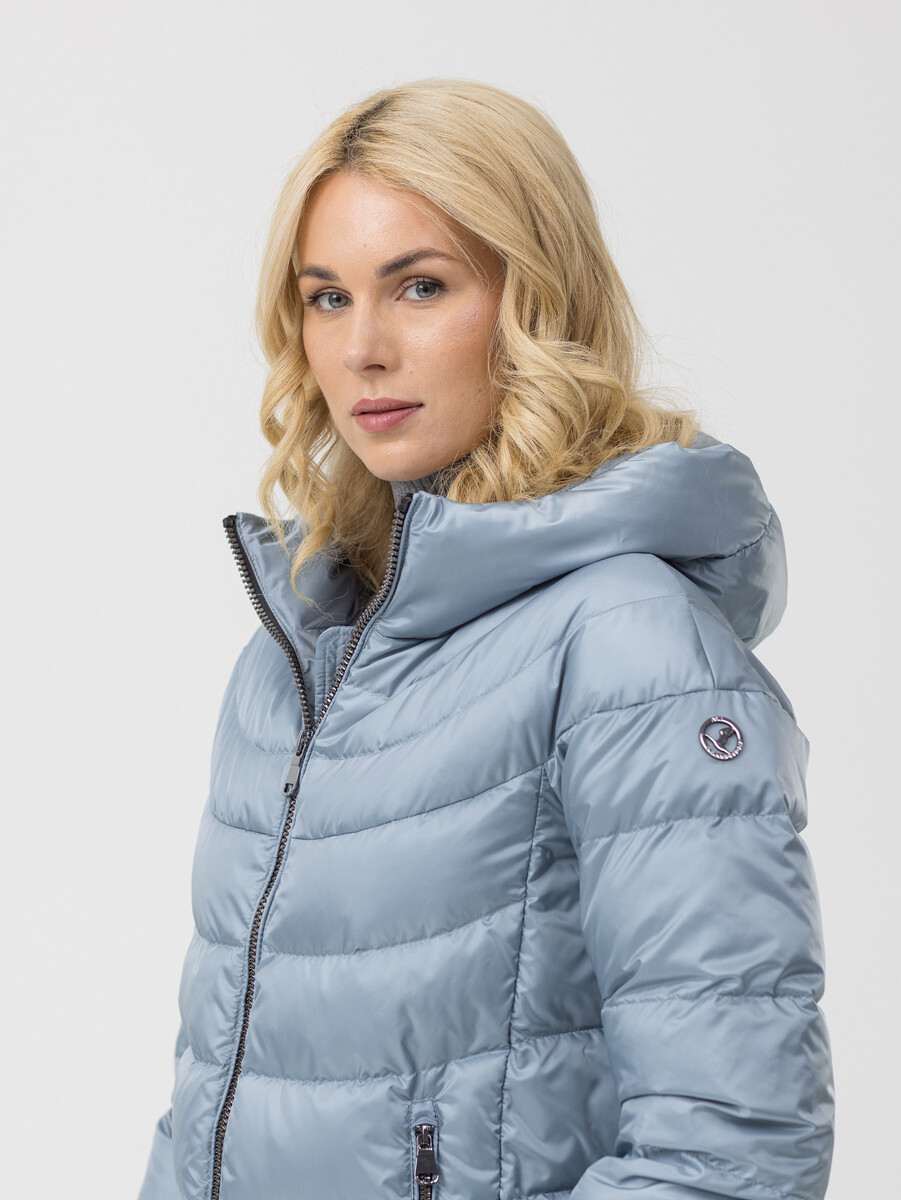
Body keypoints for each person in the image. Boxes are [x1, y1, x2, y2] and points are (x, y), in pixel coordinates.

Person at [137, 78, 834, 1200]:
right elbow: (213, 1095)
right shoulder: (289, 656)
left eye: (420, 286)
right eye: (326, 298)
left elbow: (731, 1151)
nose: (363, 348)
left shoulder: (630, 646)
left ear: (535, 299)